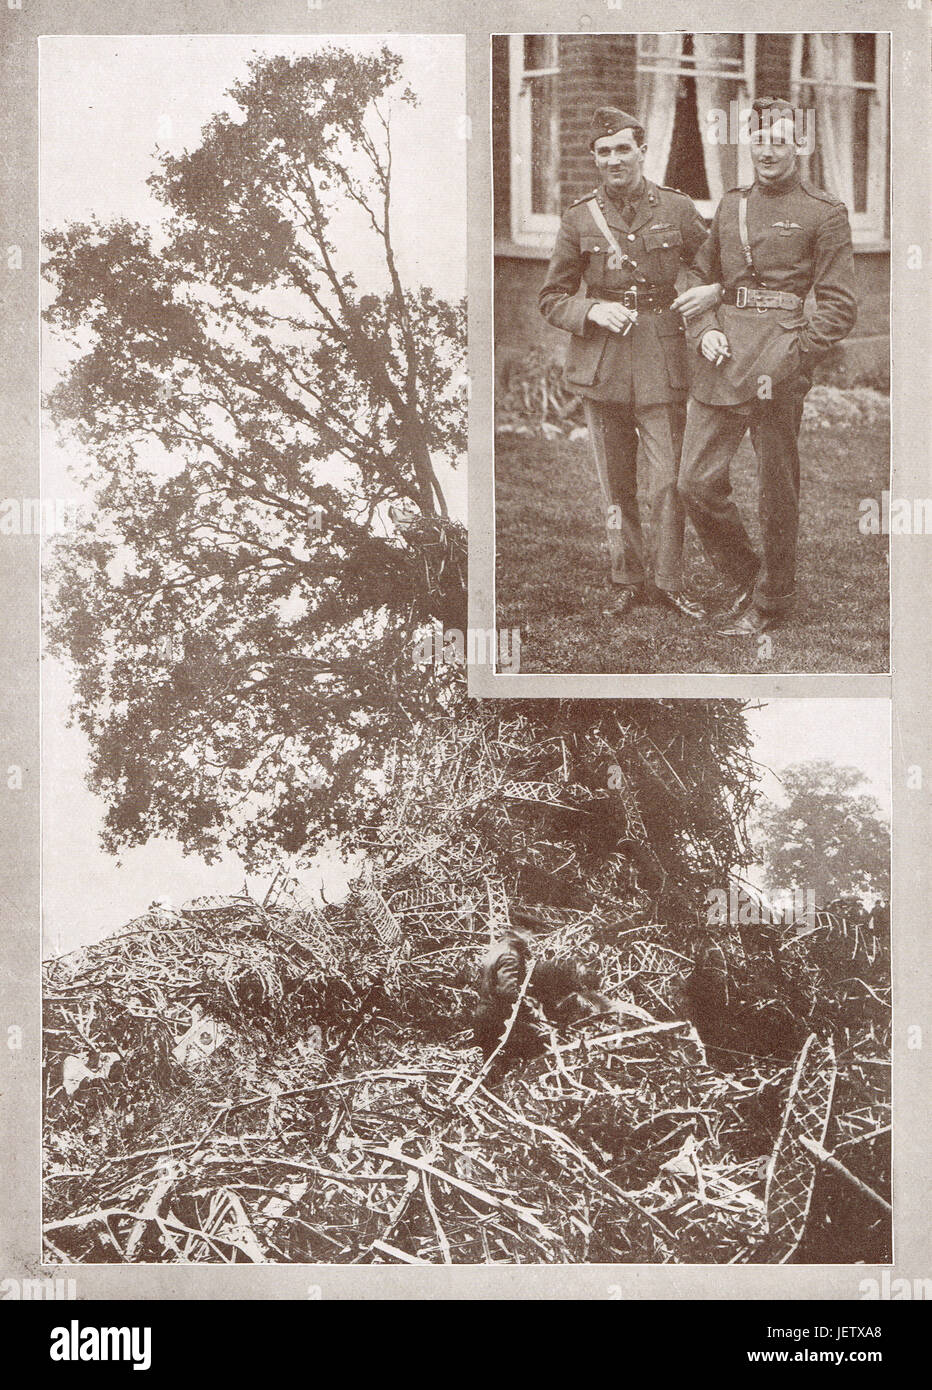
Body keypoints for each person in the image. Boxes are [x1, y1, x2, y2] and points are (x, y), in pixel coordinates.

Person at [671, 97, 858, 635]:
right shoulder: (732, 205)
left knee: (776, 488)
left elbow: (841, 303)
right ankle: (748, 574)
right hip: (723, 353)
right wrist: (703, 329)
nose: (768, 151)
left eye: (780, 140)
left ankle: (773, 602)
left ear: (799, 145)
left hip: (780, 362)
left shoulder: (824, 212)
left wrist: (798, 358)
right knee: (695, 482)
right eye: (760, 140)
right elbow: (696, 273)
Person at [538, 107, 709, 621]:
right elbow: (552, 297)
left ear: (642, 150)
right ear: (594, 157)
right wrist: (592, 308)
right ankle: (628, 577)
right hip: (604, 362)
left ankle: (670, 581)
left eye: (622, 149)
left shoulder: (677, 209)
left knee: (669, 482)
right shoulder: (579, 218)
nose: (614, 159)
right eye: (604, 151)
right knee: (616, 484)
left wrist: (700, 304)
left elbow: (706, 265)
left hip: (662, 355)